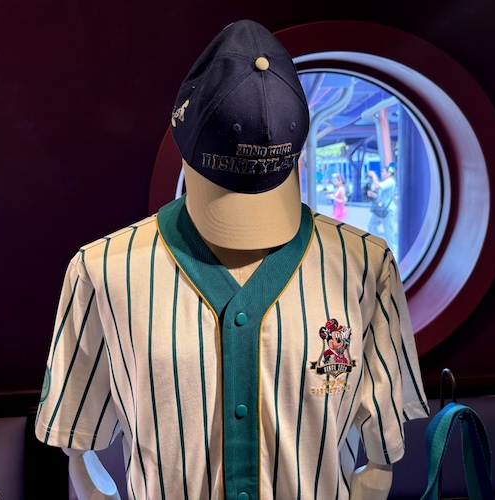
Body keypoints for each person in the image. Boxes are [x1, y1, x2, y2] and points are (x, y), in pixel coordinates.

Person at [35, 20, 428, 500]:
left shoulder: (368, 266)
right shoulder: (100, 271)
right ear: (183, 146)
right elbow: (79, 447)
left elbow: (382, 454)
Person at [367, 164, 397, 243]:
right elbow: (381, 196)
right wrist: (373, 195)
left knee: (388, 231)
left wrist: (373, 175)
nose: (381, 173)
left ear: (389, 173)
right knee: (371, 226)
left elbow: (377, 186)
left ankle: (392, 247)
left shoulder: (390, 181)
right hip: (380, 209)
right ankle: (379, 243)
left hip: (387, 210)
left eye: (383, 172)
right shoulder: (386, 182)